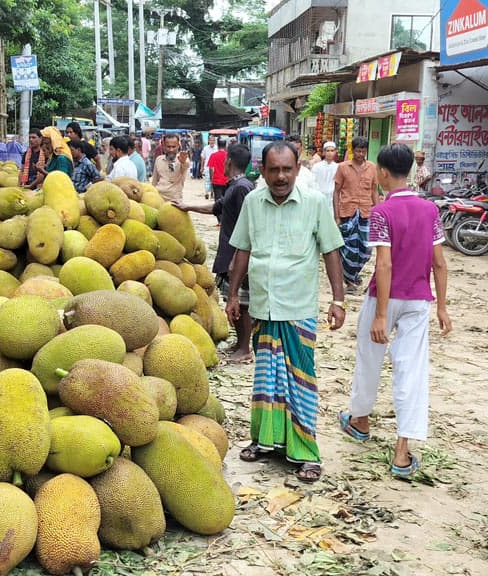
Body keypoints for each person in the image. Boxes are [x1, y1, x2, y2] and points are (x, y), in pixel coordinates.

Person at [228, 141, 347, 483]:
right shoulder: (252, 201)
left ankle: (305, 451)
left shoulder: (314, 203)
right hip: (264, 305)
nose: (280, 176)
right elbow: (242, 251)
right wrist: (233, 294)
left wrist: (338, 300)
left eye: (287, 169)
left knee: (300, 381)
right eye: (274, 169)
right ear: (262, 171)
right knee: (266, 378)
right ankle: (265, 441)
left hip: (298, 308)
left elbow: (331, 252)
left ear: (298, 169)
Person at [339, 143, 452, 478]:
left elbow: (384, 264)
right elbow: (440, 264)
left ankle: (360, 420)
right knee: (412, 371)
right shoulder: (429, 210)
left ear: (384, 173)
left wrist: (381, 315)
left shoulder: (381, 212)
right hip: (419, 300)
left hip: (385, 298)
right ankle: (402, 453)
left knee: (369, 359)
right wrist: (442, 307)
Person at [172, 143, 257, 363]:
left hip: (236, 253)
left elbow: (248, 225)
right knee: (233, 296)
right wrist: (187, 206)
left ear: (228, 162)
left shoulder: (242, 188)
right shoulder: (236, 186)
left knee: (242, 301)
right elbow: (217, 208)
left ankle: (245, 348)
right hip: (230, 250)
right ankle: (240, 343)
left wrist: (238, 257)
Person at [333, 136, 380, 292]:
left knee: (366, 249)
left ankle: (351, 275)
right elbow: (336, 192)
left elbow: (374, 190)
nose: (361, 154)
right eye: (358, 151)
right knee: (348, 248)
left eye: (364, 151)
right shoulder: (343, 168)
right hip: (347, 212)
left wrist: (378, 212)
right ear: (353, 151)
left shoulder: (372, 167)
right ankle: (349, 279)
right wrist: (336, 216)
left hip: (366, 212)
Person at [149, 133, 190, 201]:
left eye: (174, 147)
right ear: (164, 146)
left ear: (178, 146)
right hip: (158, 199)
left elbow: (186, 164)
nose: (171, 149)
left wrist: (183, 161)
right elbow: (154, 181)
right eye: (168, 147)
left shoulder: (182, 159)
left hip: (175, 201)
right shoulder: (159, 160)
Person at [311, 141, 339, 211]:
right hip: (319, 197)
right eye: (327, 151)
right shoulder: (317, 166)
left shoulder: (338, 167)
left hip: (332, 199)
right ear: (324, 152)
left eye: (332, 151)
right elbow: (312, 182)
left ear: (335, 152)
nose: (330, 153)